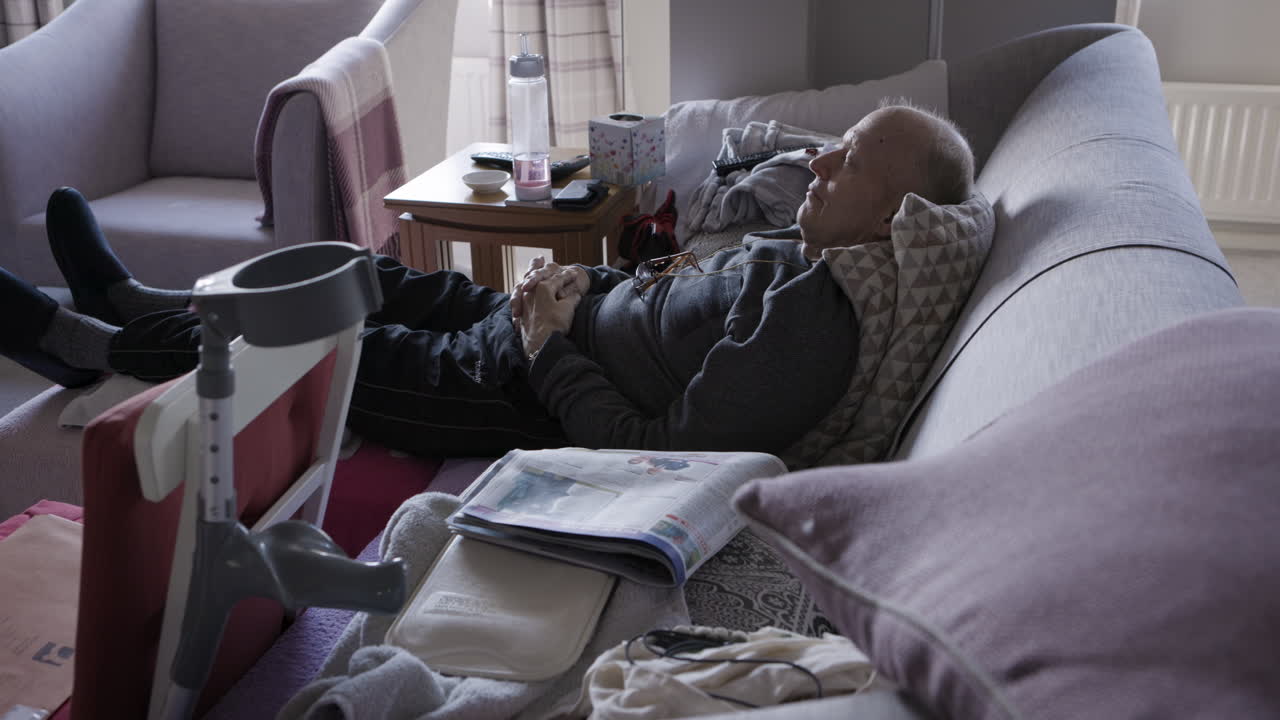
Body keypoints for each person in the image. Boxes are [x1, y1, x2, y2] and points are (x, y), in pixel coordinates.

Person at [0, 103, 974, 459]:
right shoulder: (799, 254)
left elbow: (661, 449)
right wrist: (582, 285)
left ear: (889, 220)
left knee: (314, 345)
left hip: (518, 394)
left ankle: (85, 347)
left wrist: (546, 345)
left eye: (848, 160)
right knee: (364, 269)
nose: (817, 162)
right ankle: (149, 308)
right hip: (544, 330)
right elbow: (669, 302)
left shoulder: (812, 332)